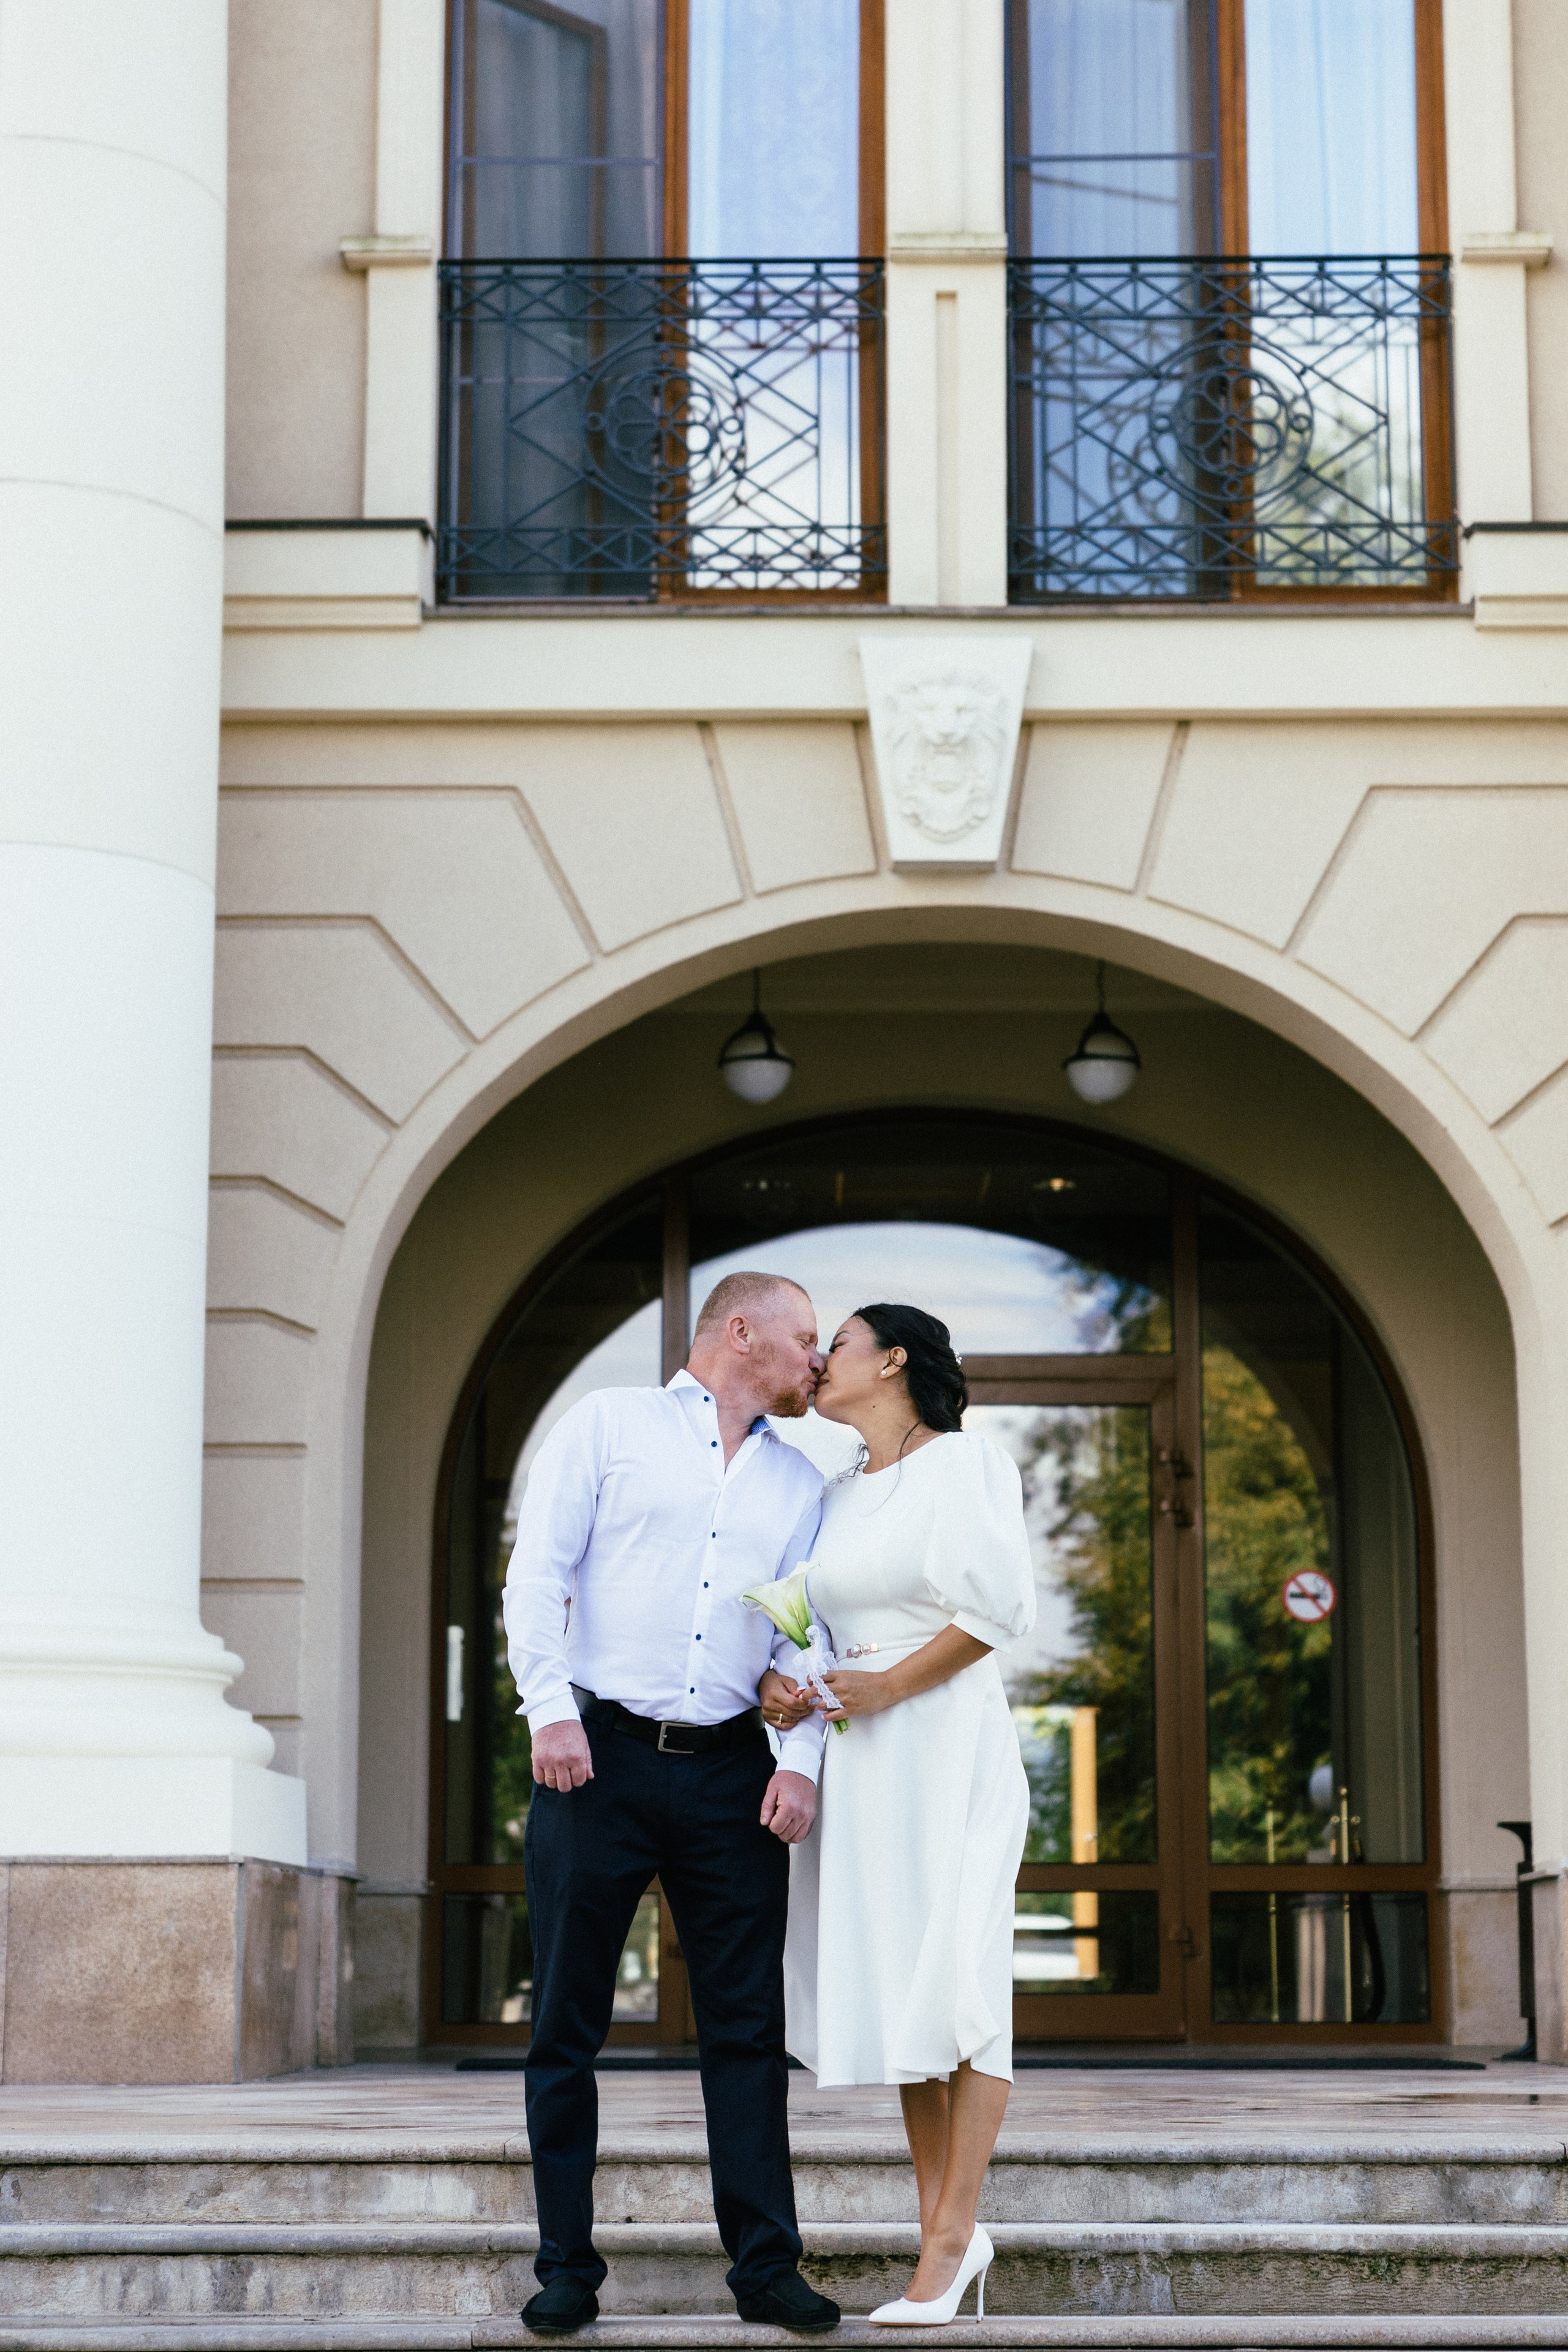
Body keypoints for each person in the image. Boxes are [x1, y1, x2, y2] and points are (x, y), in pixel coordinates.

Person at [502, 1270, 840, 2337]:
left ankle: (765, 2270)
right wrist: (547, 1711)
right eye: (806, 1342)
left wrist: (801, 1761)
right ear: (743, 1333)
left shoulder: (800, 1484)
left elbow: (802, 1632)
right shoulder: (608, 1427)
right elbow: (536, 1573)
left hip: (732, 1771)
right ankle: (566, 2269)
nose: (819, 1364)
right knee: (565, 2023)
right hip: (594, 1761)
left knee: (746, 2030)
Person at [779, 1303, 1036, 2328]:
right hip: (862, 1759)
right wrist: (787, 1688)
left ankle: (949, 2234)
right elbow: (811, 1621)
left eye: (832, 1344)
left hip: (946, 1744)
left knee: (960, 1979)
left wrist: (890, 1688)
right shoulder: (838, 1492)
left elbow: (995, 1611)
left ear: (891, 1359)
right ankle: (944, 2228)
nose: (815, 1360)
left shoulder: (967, 1467)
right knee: (904, 1992)